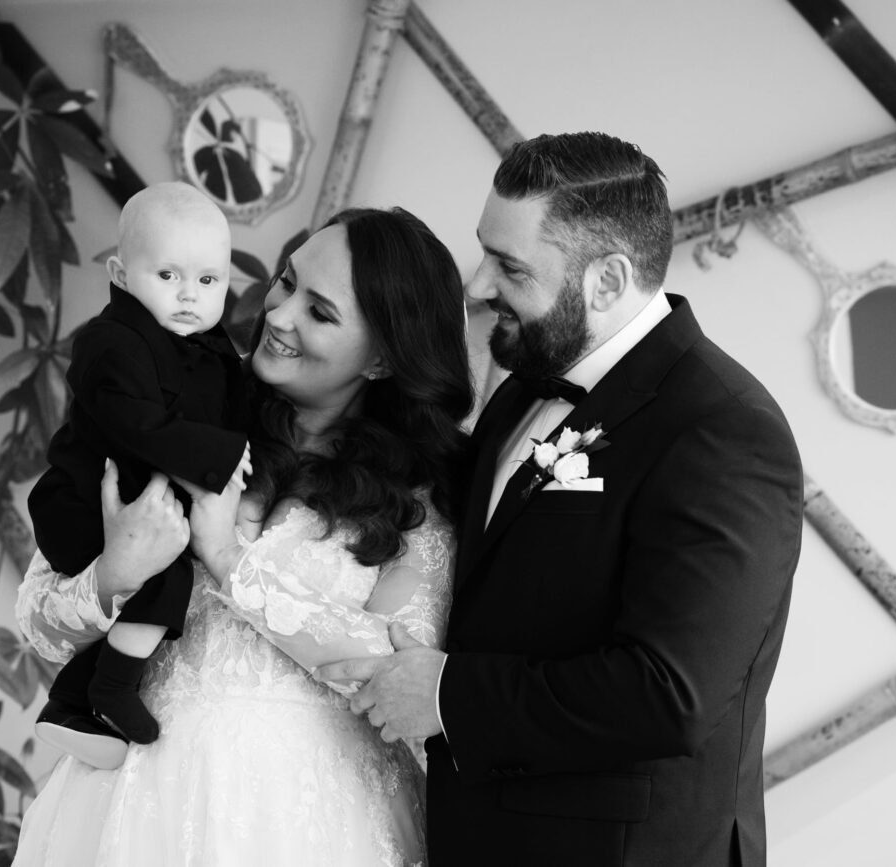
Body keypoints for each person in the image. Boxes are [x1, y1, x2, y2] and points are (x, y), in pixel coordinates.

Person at [316, 132, 805, 867]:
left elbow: (671, 692)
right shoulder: (521, 389)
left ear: (606, 281)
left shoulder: (723, 430)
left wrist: (452, 695)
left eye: (509, 266)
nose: (477, 286)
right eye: (485, 252)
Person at [13, 206, 472, 866]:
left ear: (379, 359)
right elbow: (33, 620)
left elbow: (395, 667)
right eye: (286, 283)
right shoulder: (170, 413)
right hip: (126, 808)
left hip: (306, 825)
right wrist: (114, 571)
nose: (279, 316)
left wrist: (229, 559)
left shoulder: (416, 498)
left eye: (320, 311)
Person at [26, 181, 250, 768]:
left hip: (138, 509)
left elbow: (226, 408)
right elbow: (139, 426)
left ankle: (71, 702)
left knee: (160, 576)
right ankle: (112, 688)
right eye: (168, 276)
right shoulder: (112, 341)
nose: (188, 296)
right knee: (166, 578)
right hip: (81, 507)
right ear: (121, 275)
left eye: (208, 281)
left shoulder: (210, 348)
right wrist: (220, 456)